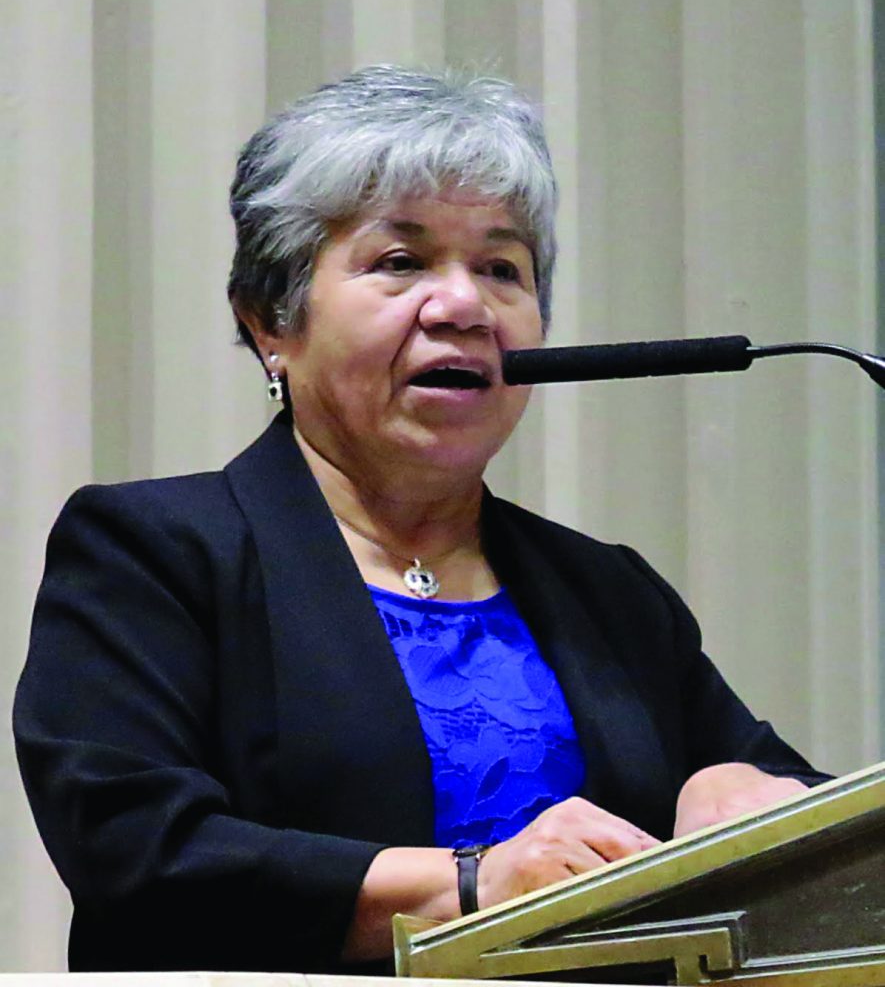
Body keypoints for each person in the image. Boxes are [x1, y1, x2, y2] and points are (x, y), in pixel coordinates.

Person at [14, 66, 827, 975]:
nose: (465, 306)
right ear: (270, 323)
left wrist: (741, 786)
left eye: (501, 268)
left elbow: (820, 831)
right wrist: (474, 885)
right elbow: (138, 851)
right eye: (400, 262)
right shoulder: (156, 551)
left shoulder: (607, 589)